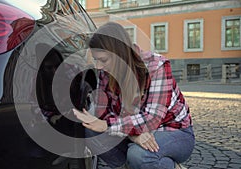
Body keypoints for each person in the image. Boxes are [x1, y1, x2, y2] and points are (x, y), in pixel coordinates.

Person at [73, 22, 195, 169]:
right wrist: (134, 136)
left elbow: (152, 119)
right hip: (133, 130)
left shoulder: (156, 66)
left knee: (139, 155)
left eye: (103, 60)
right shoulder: (106, 72)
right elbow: (104, 112)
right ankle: (129, 165)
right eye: (96, 59)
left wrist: (107, 125)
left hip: (173, 130)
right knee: (91, 130)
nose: (98, 66)